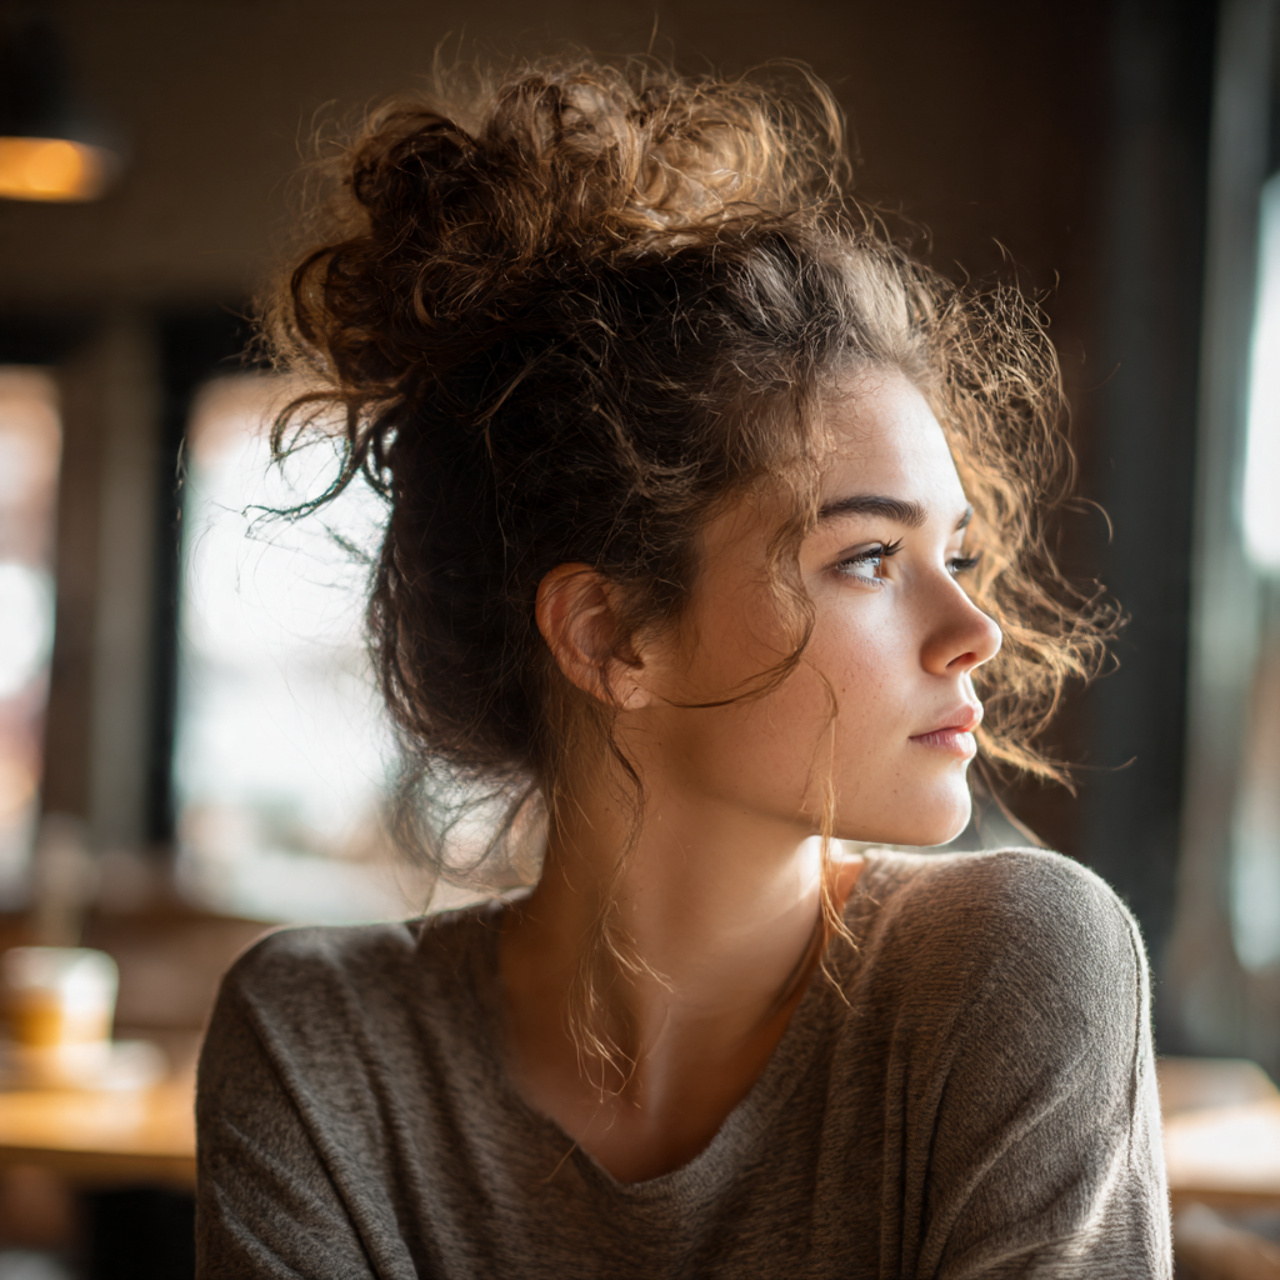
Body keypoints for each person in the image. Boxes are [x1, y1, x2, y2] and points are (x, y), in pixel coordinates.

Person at [195, 56, 1172, 1279]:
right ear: (610, 637)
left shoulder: (1019, 963)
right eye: (869, 556)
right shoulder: (321, 1043)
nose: (971, 627)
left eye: (956, 551)